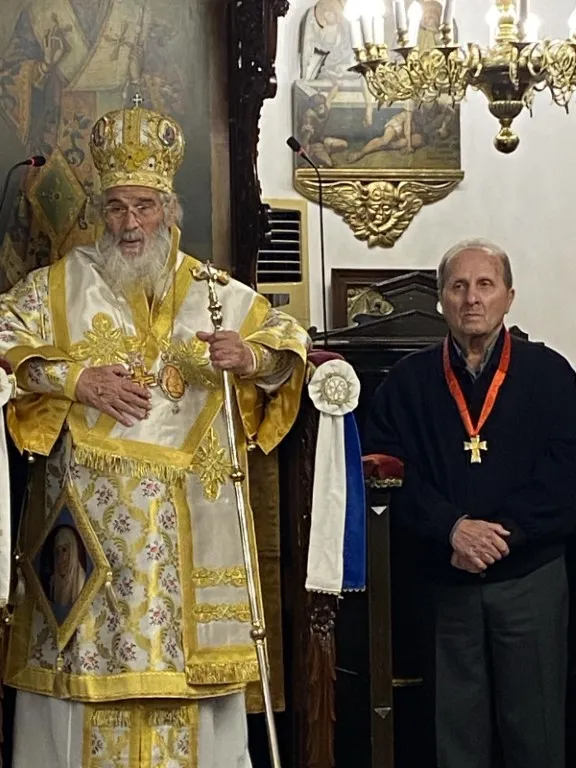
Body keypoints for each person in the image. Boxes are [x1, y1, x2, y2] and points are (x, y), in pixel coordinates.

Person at [0, 102, 310, 767]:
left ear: (169, 210)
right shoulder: (57, 289)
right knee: (81, 697)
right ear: (100, 212)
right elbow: (3, 339)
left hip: (185, 557)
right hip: (88, 553)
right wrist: (74, 380)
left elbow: (289, 345)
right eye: (116, 208)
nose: (130, 223)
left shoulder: (215, 294)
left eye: (144, 207)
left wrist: (249, 358)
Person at [365, 238, 576, 768]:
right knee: (451, 738)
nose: (471, 298)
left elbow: (566, 472)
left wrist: (504, 535)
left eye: (485, 284)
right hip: (445, 580)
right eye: (458, 286)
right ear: (441, 299)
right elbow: (385, 471)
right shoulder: (407, 382)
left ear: (509, 296)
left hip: (529, 579)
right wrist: (452, 529)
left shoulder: (551, 374)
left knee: (537, 734)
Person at [49, 525, 87, 623]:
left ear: (73, 551)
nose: (60, 559)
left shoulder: (81, 579)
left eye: (64, 550)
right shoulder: (53, 582)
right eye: (57, 551)